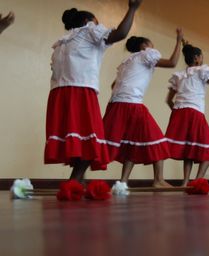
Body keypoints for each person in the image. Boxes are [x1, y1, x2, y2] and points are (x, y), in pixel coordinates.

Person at [44, 0, 142, 181]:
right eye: (97, 21)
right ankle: (75, 180)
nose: (100, 25)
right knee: (89, 138)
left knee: (77, 139)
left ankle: (77, 180)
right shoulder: (89, 31)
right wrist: (133, 9)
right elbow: (120, 33)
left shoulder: (61, 44)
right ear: (88, 21)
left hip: (59, 94)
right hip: (80, 92)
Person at [103, 29, 184, 188]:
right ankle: (158, 180)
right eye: (151, 44)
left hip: (116, 104)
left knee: (131, 143)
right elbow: (172, 63)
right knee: (157, 139)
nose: (154, 47)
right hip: (131, 104)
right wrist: (179, 41)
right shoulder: (147, 53)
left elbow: (114, 85)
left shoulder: (127, 62)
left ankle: (123, 181)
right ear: (144, 45)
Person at [165, 43, 209, 186]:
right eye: (201, 57)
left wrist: (179, 113)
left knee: (188, 150)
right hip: (194, 113)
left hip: (179, 114)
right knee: (207, 150)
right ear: (197, 58)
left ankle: (185, 182)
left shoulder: (179, 75)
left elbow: (168, 100)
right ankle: (198, 181)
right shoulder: (202, 71)